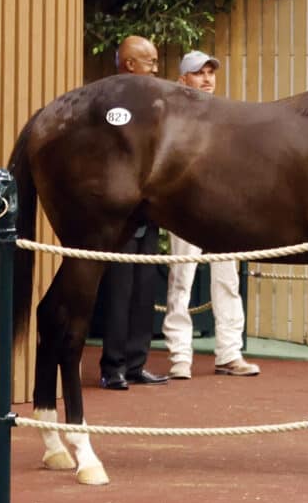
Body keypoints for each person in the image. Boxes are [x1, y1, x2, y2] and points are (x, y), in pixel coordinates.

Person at [163, 50, 260, 378]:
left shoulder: (225, 114)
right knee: (181, 279)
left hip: (223, 209)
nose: (207, 79)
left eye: (210, 72)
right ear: (183, 79)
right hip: (183, 207)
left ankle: (230, 353)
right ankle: (179, 356)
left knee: (228, 279)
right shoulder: (172, 119)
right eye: (198, 72)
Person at [98, 35, 169, 390]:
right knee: (118, 292)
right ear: (130, 64)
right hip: (121, 214)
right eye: (150, 61)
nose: (156, 68)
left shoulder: (155, 103)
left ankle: (138, 362)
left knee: (144, 291)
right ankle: (113, 367)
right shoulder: (111, 101)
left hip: (149, 213)